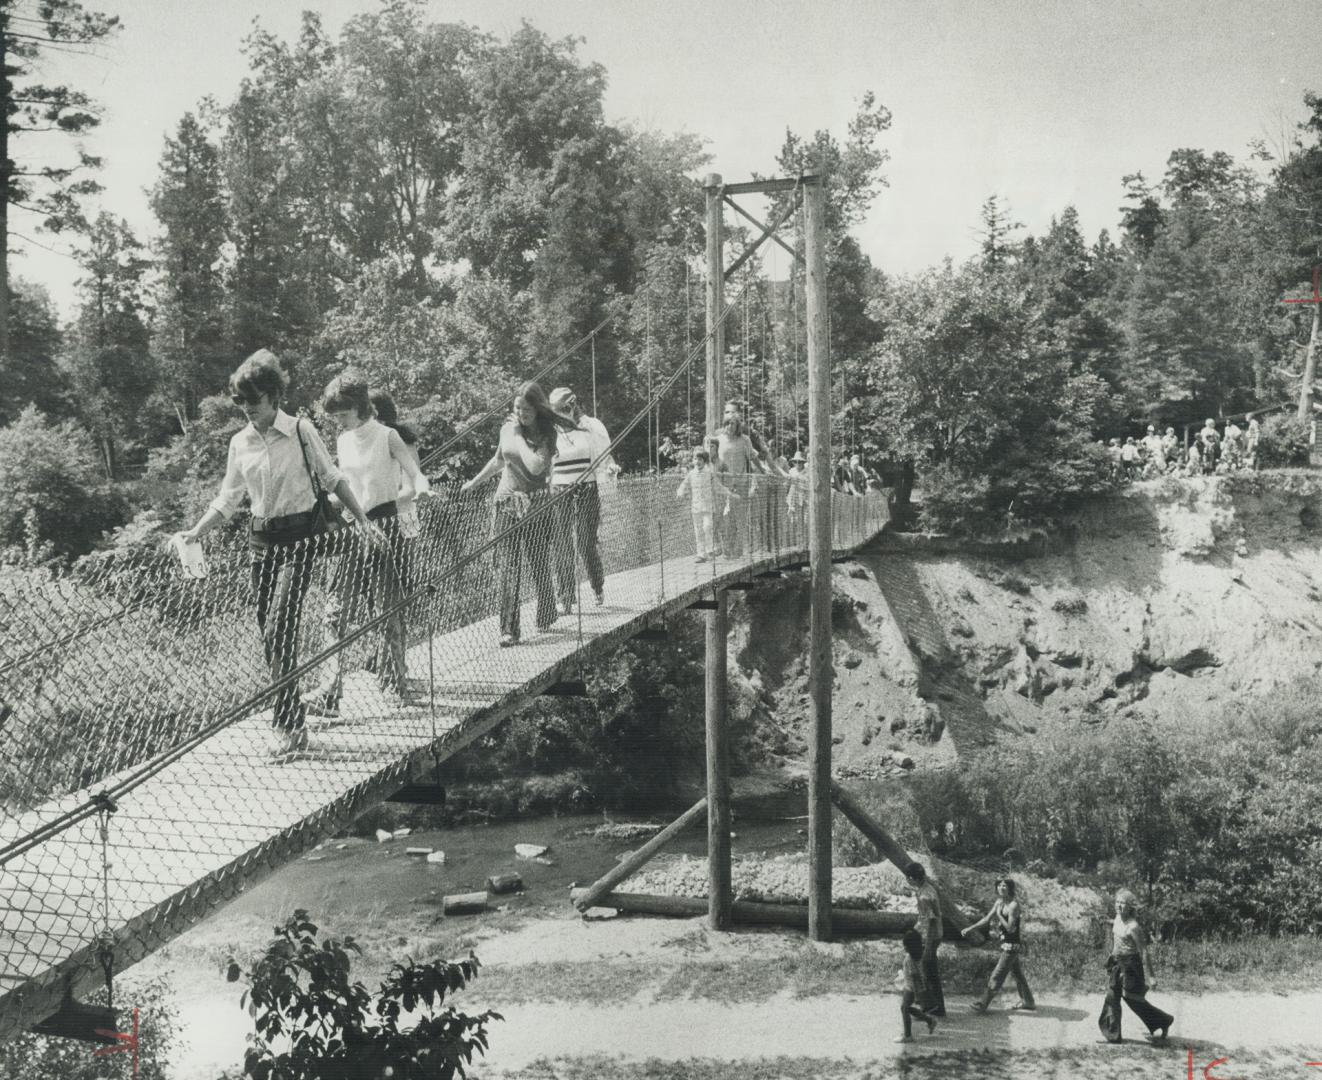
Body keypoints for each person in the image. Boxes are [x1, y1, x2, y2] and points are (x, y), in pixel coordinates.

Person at [178, 349, 379, 756]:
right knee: (270, 637)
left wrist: (363, 520)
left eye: (253, 399)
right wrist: (195, 532)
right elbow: (229, 497)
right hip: (261, 543)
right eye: (240, 401)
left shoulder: (302, 431)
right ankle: (295, 724)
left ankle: (286, 726)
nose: (247, 408)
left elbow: (332, 477)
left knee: (278, 628)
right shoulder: (240, 442)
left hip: (300, 540)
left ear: (273, 395)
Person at [305, 372, 431, 718]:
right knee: (334, 613)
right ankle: (329, 692)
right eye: (335, 416)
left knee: (388, 610)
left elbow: (413, 471)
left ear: (359, 406)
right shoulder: (344, 441)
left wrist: (421, 487)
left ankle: (394, 684)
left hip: (384, 526)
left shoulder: (387, 435)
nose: (338, 422)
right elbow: (343, 486)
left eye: (342, 414)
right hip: (351, 529)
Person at [461, 381, 574, 646]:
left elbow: (535, 467)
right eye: (517, 408)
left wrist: (519, 436)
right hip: (507, 504)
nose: (520, 414)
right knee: (508, 568)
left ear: (537, 409)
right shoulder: (507, 429)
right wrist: (474, 483)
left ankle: (546, 612)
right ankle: (508, 630)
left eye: (525, 409)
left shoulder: (546, 434)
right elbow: (500, 460)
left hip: (535, 506)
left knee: (538, 563)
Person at [548, 387, 615, 612]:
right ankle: (565, 596)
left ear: (573, 406)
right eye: (556, 411)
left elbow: (604, 458)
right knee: (562, 544)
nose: (560, 415)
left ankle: (597, 585)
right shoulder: (551, 430)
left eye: (563, 410)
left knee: (586, 542)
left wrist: (609, 474)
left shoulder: (591, 427)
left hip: (586, 488)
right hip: (559, 490)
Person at [1100, 888, 1173, 1045]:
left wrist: (1151, 977)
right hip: (1117, 963)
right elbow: (1116, 936)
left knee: (1134, 1000)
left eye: (1123, 903)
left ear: (1130, 907)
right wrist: (1111, 957)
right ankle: (1113, 1034)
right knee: (1112, 997)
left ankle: (1163, 1021)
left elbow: (1144, 952)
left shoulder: (1133, 927)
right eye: (1117, 902)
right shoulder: (1117, 919)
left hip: (1131, 966)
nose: (1119, 906)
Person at [963, 878, 1036, 1013]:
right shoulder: (999, 902)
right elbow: (986, 919)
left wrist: (998, 914)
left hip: (1012, 946)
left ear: (1010, 888)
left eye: (1005, 886)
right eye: (1000, 885)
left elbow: (1009, 928)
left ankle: (982, 1004)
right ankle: (1029, 1002)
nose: (1002, 888)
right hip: (1006, 944)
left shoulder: (1014, 905)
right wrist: (970, 928)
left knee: (997, 975)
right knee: (1018, 974)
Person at [716, 404, 764, 557]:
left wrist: (762, 470)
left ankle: (738, 549)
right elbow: (712, 460)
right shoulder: (718, 440)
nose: (730, 426)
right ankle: (726, 549)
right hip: (723, 483)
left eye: (734, 424)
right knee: (724, 517)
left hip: (741, 482)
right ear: (724, 425)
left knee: (740, 517)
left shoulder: (744, 440)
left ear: (737, 426)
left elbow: (752, 457)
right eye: (728, 423)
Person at [677, 448, 737, 562]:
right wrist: (680, 492)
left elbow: (718, 487)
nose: (697, 461)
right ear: (693, 461)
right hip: (696, 507)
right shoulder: (691, 474)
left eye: (700, 459)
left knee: (707, 527)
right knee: (698, 530)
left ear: (704, 461)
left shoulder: (709, 473)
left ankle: (710, 550)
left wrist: (730, 493)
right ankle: (701, 554)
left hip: (707, 506)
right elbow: (684, 485)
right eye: (695, 459)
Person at [905, 862, 945, 1018]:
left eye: (908, 878)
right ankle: (932, 1005)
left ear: (912, 878)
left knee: (929, 971)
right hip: (931, 934)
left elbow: (931, 921)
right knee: (927, 971)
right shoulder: (927, 888)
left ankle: (937, 1008)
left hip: (930, 936)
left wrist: (928, 946)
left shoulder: (924, 896)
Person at [894, 927, 939, 1043]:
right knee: (906, 1008)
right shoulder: (920, 953)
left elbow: (914, 976)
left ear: (910, 947)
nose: (905, 948)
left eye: (906, 946)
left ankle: (908, 1035)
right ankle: (929, 1020)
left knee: (904, 1008)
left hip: (911, 987)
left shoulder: (909, 959)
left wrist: (918, 995)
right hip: (913, 985)